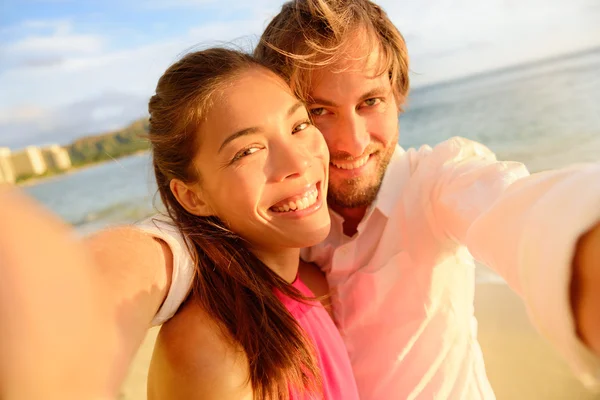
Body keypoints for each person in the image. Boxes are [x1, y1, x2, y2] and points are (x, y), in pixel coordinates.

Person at [1, 0, 599, 399]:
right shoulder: (278, 231)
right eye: (316, 112)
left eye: (370, 102)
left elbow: (520, 207)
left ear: (400, 98)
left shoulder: (439, 180)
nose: (347, 143)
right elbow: (171, 250)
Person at [0, 48, 360, 400]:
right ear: (193, 197)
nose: (298, 160)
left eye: (299, 125)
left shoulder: (311, 283)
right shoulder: (216, 349)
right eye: (247, 151)